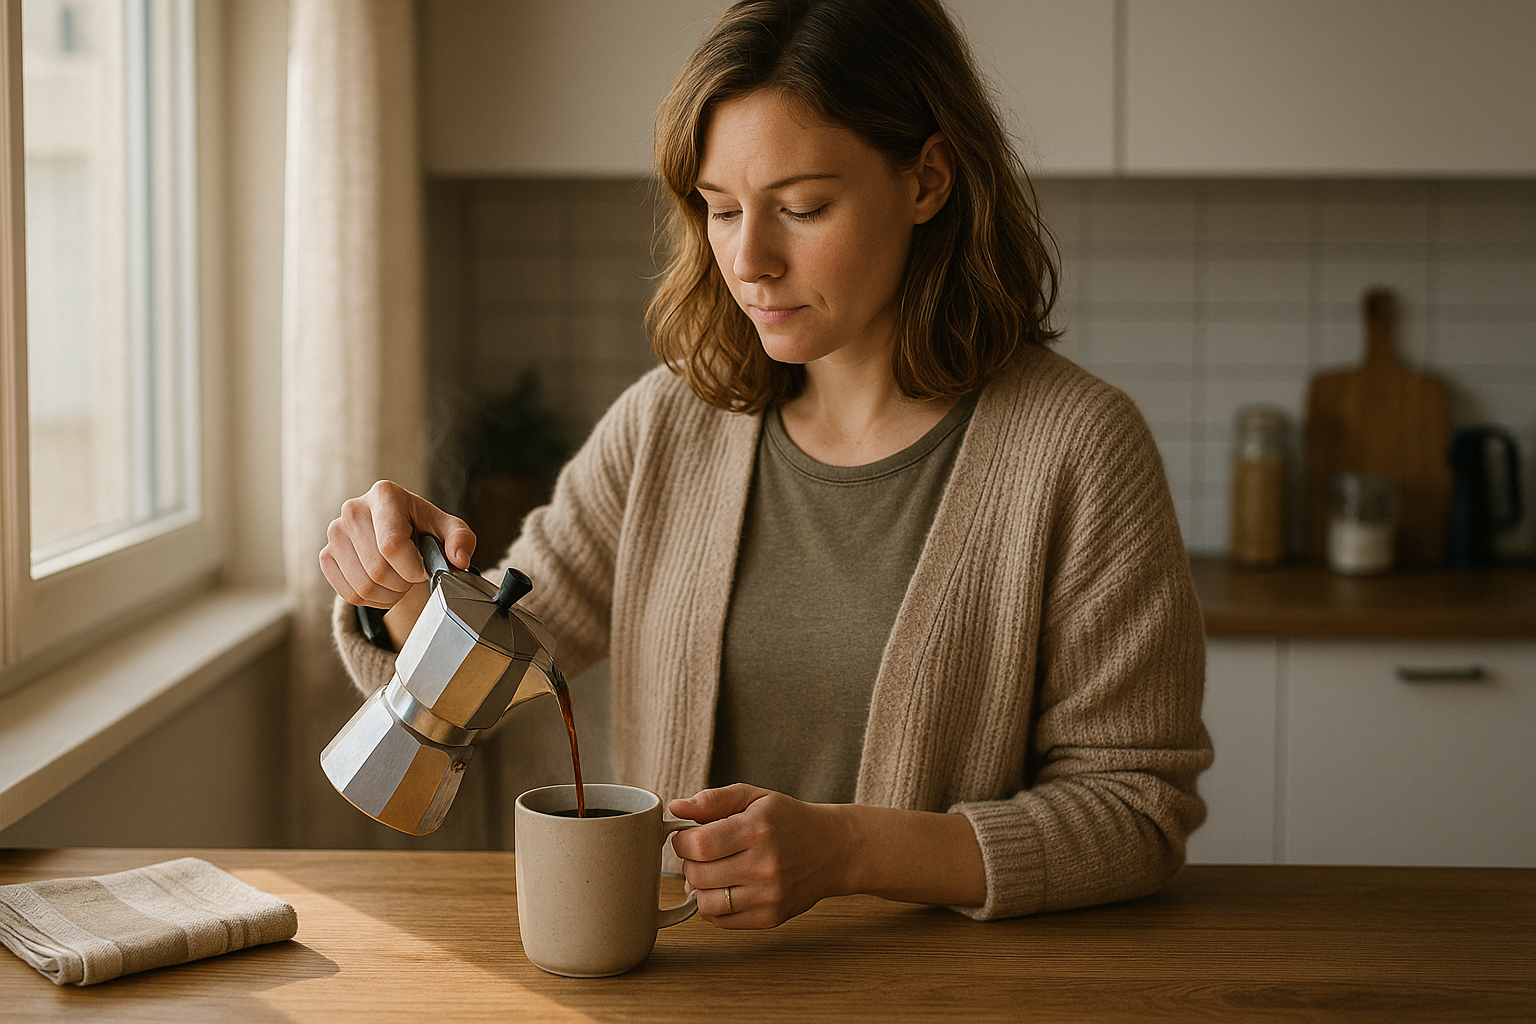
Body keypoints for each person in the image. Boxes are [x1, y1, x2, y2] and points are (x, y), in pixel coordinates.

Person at [320, 0, 1211, 927]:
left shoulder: (1080, 450)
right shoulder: (665, 426)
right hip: (684, 983)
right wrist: (400, 598)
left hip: (942, 993)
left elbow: (1135, 810)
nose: (750, 260)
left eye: (803, 208)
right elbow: (504, 655)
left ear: (928, 180)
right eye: (721, 209)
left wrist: (855, 850)